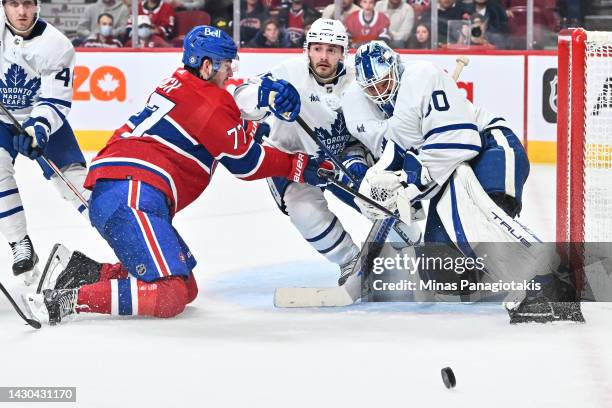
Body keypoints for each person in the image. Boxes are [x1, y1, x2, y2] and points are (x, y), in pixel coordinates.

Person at [24, 25, 326, 325]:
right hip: (131, 194)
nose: (231, 72)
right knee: (170, 294)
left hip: (126, 190)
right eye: (226, 64)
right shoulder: (209, 103)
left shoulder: (182, 83)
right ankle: (65, 300)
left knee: (186, 286)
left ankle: (77, 272)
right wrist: (296, 164)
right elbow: (246, 163)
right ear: (207, 66)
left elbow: (231, 113)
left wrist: (259, 106)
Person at [342, 41, 583, 323]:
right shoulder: (395, 116)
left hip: (492, 150)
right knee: (441, 272)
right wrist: (379, 193)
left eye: (383, 83)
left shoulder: (421, 77)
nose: (379, 92)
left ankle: (549, 277)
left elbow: (461, 144)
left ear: (395, 68)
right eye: (372, 88)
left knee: (476, 223)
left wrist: (410, 188)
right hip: (458, 168)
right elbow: (401, 163)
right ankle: (502, 269)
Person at [234, 19, 419, 285]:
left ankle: (416, 249)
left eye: (332, 50)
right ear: (307, 49)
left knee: (379, 196)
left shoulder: (357, 79)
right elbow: (240, 96)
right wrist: (268, 96)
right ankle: (350, 262)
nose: (323, 56)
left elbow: (375, 126)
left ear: (343, 53)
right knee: (303, 209)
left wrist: (363, 162)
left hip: (343, 156)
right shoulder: (288, 72)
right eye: (318, 48)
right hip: (292, 161)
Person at [0, 0, 90, 283]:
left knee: (76, 187)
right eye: (14, 3)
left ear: (37, 5)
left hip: (42, 122)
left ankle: (124, 236)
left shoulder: (56, 45)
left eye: (27, 3)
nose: (21, 11)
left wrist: (38, 127)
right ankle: (19, 244)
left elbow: (54, 99)